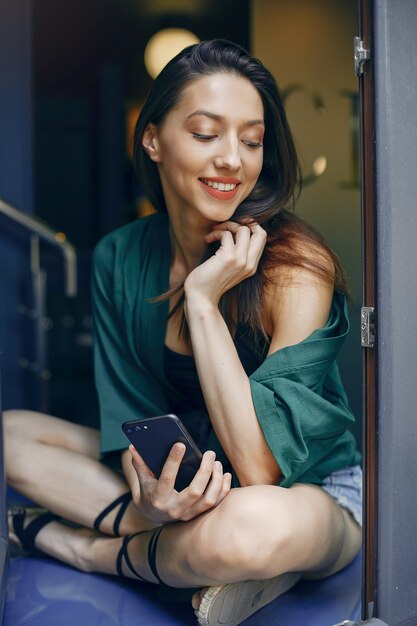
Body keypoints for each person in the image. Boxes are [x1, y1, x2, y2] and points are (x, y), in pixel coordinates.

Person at [5, 40, 362, 626]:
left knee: (254, 524)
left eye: (251, 141)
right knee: (11, 436)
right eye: (205, 134)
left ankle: (84, 549)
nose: (233, 160)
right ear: (152, 138)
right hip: (189, 477)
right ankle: (191, 553)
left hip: (307, 491)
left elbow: (259, 469)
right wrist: (152, 497)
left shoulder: (297, 268)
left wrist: (202, 299)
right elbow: (131, 424)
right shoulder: (120, 257)